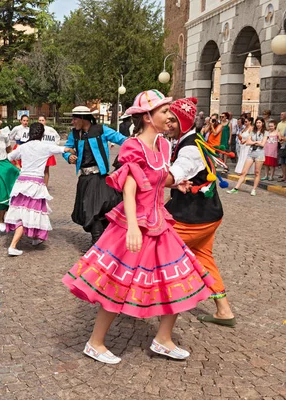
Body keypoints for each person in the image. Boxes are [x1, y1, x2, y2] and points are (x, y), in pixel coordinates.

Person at [62, 90, 214, 364]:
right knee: (116, 285)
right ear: (147, 116)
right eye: (164, 111)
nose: (170, 116)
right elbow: (130, 189)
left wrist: (173, 183)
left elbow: (157, 179)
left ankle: (163, 339)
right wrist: (132, 227)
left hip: (160, 224)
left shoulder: (165, 146)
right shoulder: (134, 147)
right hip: (134, 224)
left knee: (179, 282)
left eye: (170, 111)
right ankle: (95, 343)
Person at [165, 97, 236, 328]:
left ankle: (144, 302)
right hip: (209, 214)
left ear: (184, 123)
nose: (168, 123)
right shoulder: (192, 140)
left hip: (192, 219)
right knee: (203, 258)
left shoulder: (189, 149)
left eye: (173, 120)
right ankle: (224, 311)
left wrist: (140, 176)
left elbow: (173, 175)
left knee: (154, 249)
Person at [5, 122, 75, 255]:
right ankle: (13, 245)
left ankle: (35, 238)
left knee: (23, 210)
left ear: (29, 133)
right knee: (30, 212)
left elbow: (9, 158)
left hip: (21, 182)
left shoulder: (23, 147)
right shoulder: (45, 146)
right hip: (36, 184)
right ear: (42, 134)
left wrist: (17, 167)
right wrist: (72, 151)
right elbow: (63, 149)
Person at [63, 106, 127, 246]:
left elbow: (124, 140)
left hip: (98, 178)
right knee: (89, 210)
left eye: (74, 119)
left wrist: (126, 157)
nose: (72, 122)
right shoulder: (74, 134)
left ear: (83, 118)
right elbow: (66, 149)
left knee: (95, 210)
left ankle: (97, 245)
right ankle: (101, 243)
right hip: (84, 178)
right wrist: (69, 156)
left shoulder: (101, 130)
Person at [227, 117, 268, 196]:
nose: (258, 124)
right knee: (244, 172)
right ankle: (236, 188)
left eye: (259, 122)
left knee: (257, 172)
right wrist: (256, 142)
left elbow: (263, 144)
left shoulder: (265, 132)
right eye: (257, 123)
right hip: (251, 152)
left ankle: (254, 189)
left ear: (262, 123)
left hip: (259, 154)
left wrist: (254, 142)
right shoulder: (253, 131)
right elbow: (248, 142)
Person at [38, 115, 60, 187]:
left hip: (47, 152)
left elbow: (57, 138)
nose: (41, 122)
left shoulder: (50, 130)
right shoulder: (36, 129)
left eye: (42, 120)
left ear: (45, 121)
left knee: (46, 170)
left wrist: (54, 147)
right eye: (40, 120)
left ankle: (45, 186)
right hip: (38, 152)